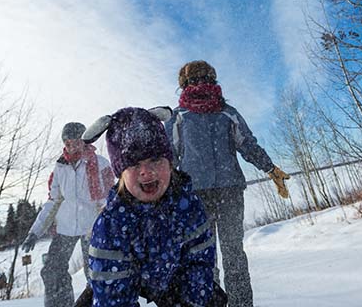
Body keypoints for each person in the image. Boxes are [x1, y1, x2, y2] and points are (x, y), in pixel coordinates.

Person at [165, 60, 290, 307]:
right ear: (185, 85)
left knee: (234, 255)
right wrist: (164, 192)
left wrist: (270, 168)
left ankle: (242, 304)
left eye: (205, 78)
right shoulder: (179, 117)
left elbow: (248, 144)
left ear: (213, 80)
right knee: (204, 259)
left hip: (230, 191)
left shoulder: (227, 112)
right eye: (194, 79)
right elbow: (169, 157)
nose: (201, 83)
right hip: (195, 197)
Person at [83, 107, 227, 307]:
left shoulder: (188, 206)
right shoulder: (111, 223)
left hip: (173, 275)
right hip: (124, 273)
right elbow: (112, 296)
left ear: (169, 163)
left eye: (155, 160)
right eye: (133, 164)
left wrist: (191, 301)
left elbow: (199, 262)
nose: (146, 171)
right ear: (121, 174)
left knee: (213, 299)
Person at [21, 122, 114, 307]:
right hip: (65, 227)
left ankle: (99, 303)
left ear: (84, 141)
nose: (72, 147)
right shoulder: (60, 167)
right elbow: (53, 201)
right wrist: (35, 232)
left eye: (76, 142)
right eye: (68, 143)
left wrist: (111, 227)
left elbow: (111, 199)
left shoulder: (101, 164)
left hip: (93, 228)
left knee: (96, 272)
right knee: (52, 270)